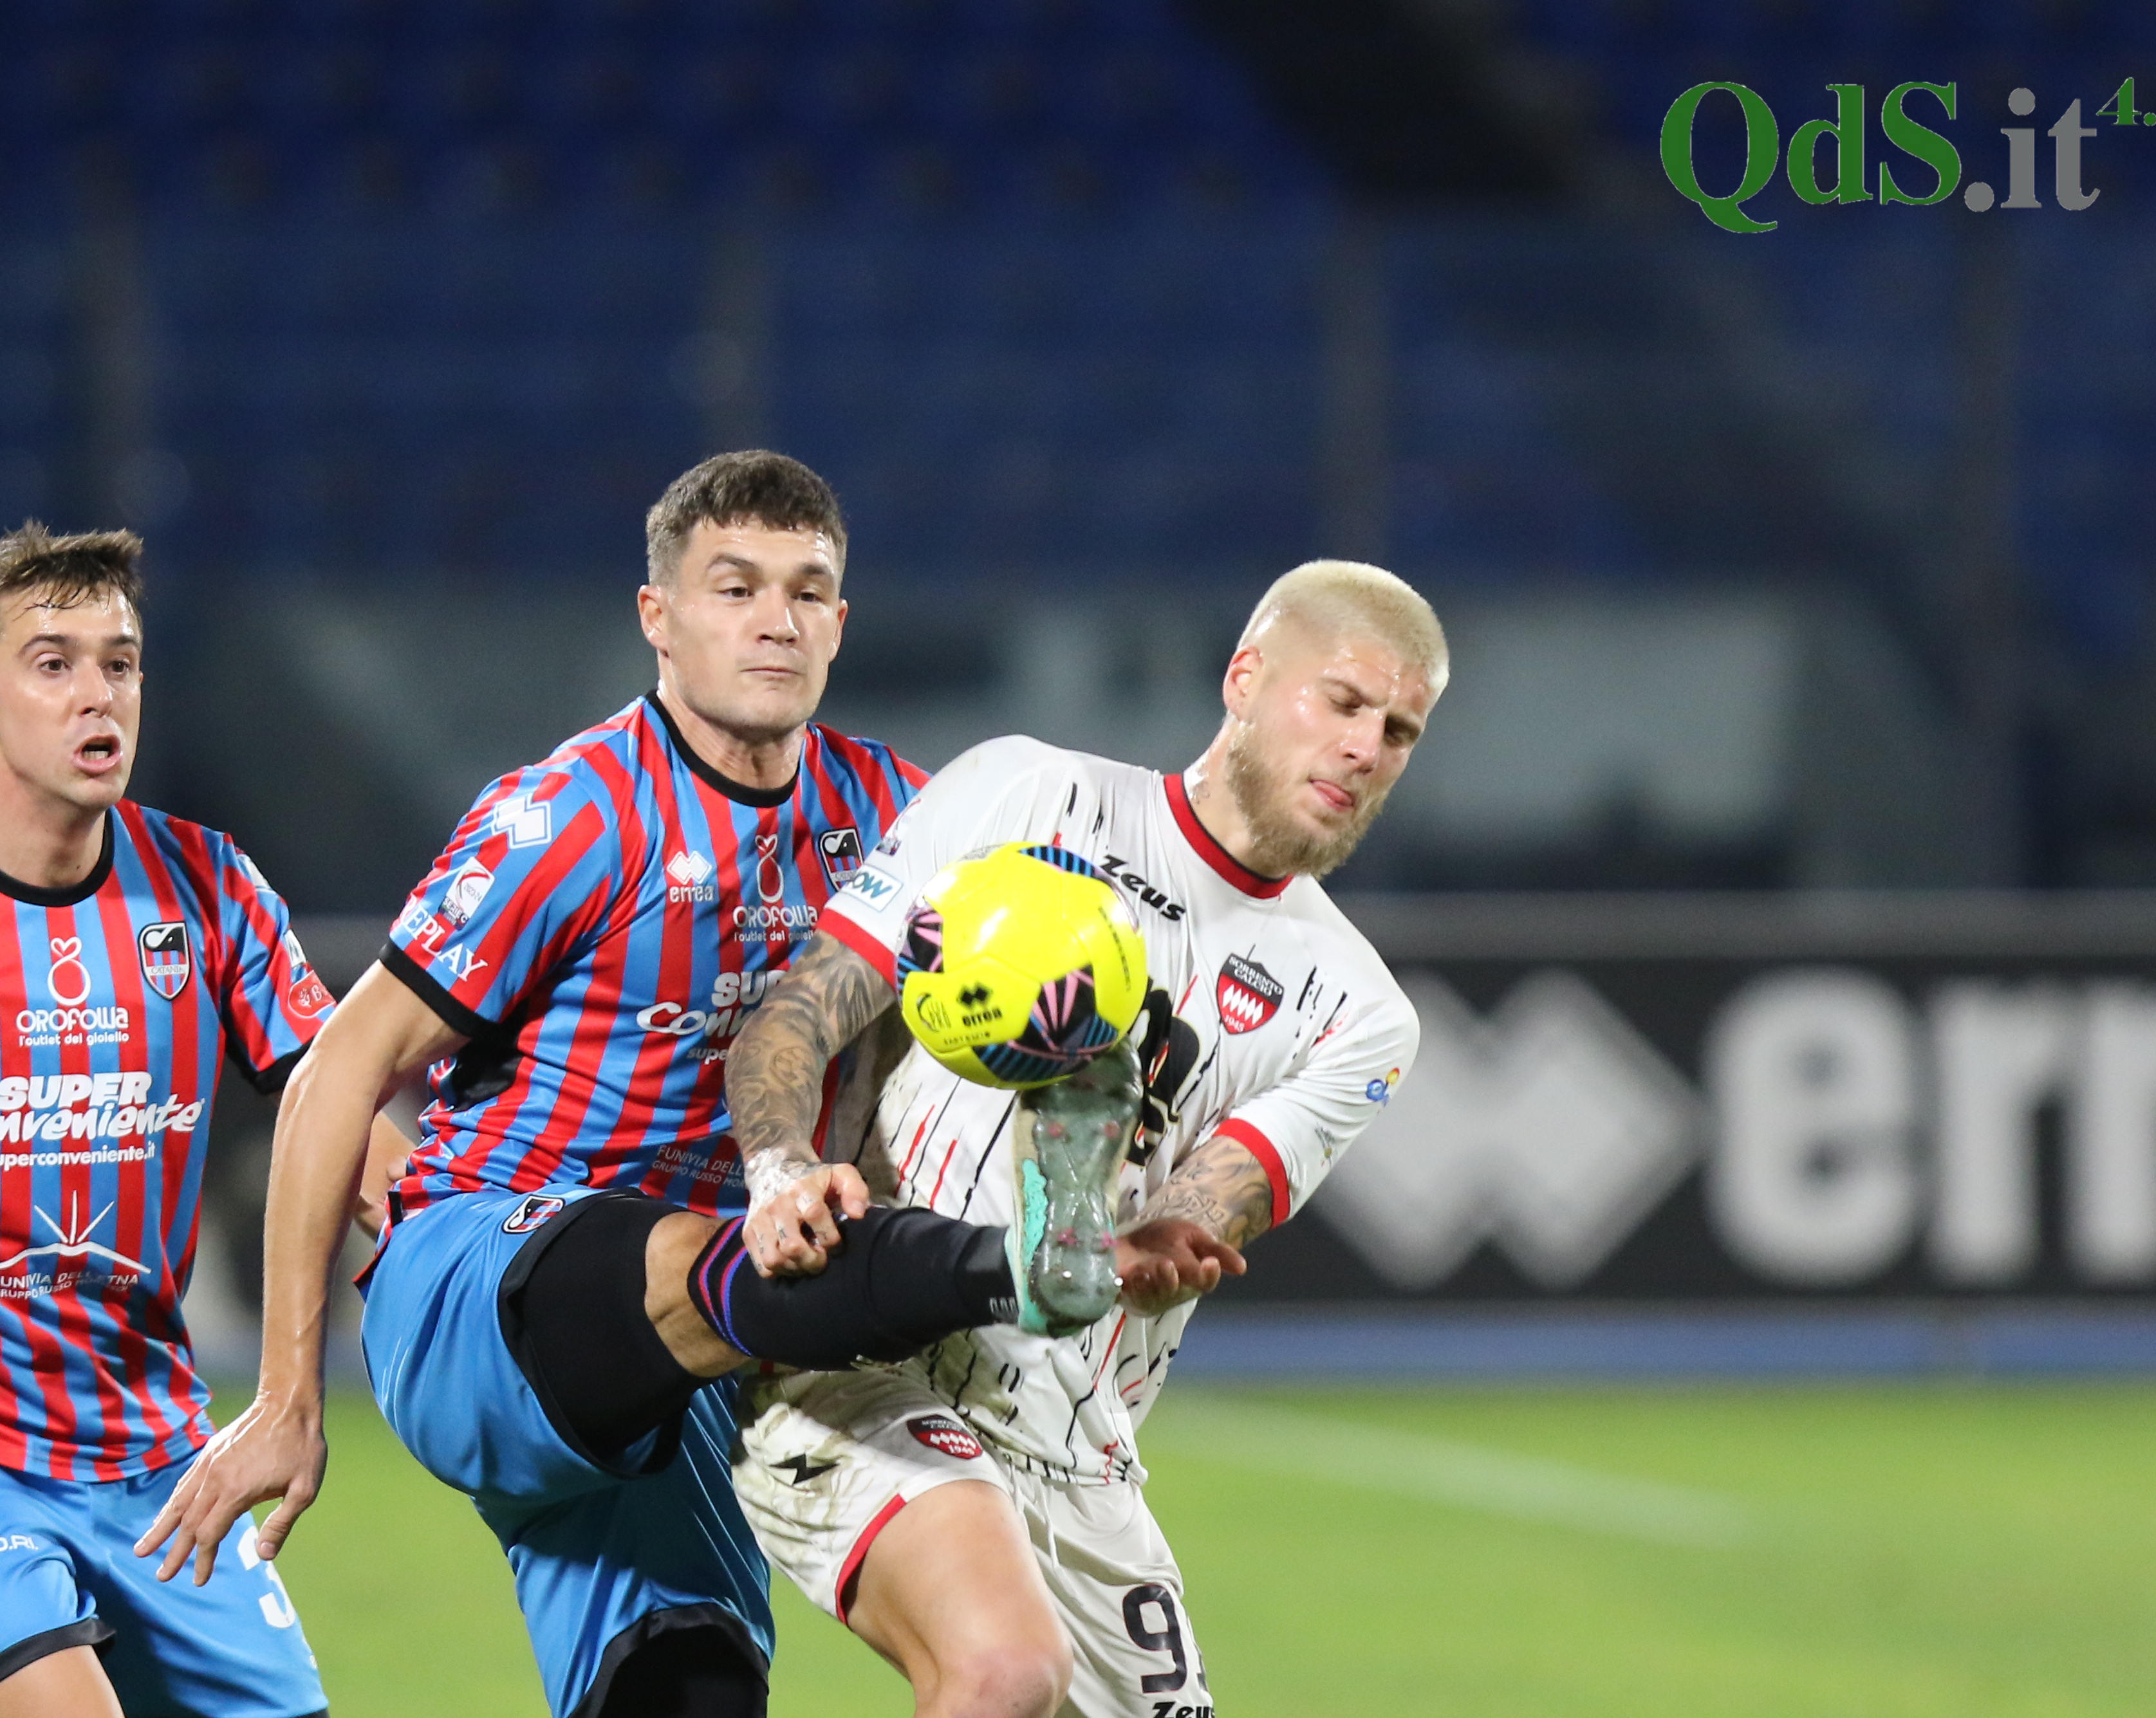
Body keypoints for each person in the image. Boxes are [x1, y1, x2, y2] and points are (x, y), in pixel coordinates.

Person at [133, 452, 1155, 1718]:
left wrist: (1072, 1111)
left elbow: (1079, 1011)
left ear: (841, 622)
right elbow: (335, 1072)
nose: (774, 618)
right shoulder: (571, 815)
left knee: (777, 1688)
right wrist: (288, 1396)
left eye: (806, 590)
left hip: (698, 1361)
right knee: (701, 1249)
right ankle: (1019, 1270)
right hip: (485, 1299)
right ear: (657, 618)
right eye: (734, 587)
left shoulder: (900, 823)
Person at [722, 559, 1444, 1718]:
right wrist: (781, 1171)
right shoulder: (1023, 795)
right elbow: (800, 1016)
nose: (1369, 749)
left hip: (1072, 1442)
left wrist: (1153, 1248)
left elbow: (1203, 1215)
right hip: (864, 1358)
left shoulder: (1361, 1012)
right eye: (1345, 703)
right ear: (1246, 677)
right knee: (1002, 1673)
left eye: (1402, 729)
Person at [0, 522, 402, 1718]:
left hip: (163, 1457)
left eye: (118, 662)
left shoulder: (206, 885)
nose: (96, 694)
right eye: (51, 661)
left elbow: (343, 1110)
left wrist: (482, 1250)